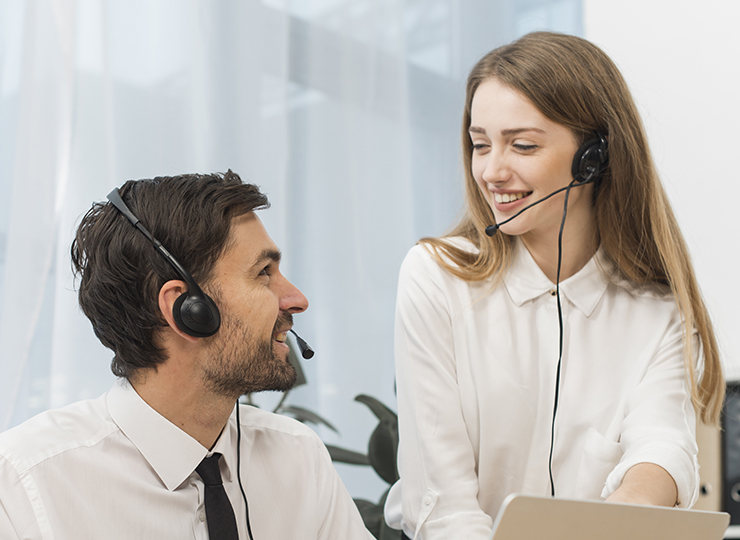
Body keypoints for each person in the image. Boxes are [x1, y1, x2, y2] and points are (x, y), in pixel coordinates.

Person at [383, 32, 725, 540]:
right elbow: (443, 506)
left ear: (595, 157)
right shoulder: (435, 277)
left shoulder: (656, 308)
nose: (492, 171)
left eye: (522, 145)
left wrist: (625, 513)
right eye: (480, 145)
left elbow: (662, 447)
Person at [0, 172, 373, 539]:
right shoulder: (22, 486)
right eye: (263, 273)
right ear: (188, 309)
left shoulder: (298, 457)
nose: (297, 299)